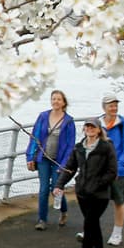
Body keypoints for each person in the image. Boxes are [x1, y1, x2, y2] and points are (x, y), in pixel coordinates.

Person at [54, 120, 119, 248]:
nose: (89, 129)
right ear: (84, 129)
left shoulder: (106, 147)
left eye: (93, 127)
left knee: (89, 223)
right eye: (87, 126)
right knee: (93, 223)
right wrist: (59, 184)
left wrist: (98, 184)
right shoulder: (79, 148)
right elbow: (70, 168)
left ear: (98, 130)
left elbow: (112, 171)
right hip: (83, 193)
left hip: (100, 194)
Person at [24, 90, 76, 230]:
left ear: (64, 102)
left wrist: (64, 164)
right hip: (43, 158)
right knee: (43, 189)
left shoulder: (69, 121)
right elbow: (34, 137)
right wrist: (30, 156)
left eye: (59, 99)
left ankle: (63, 211)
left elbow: (71, 145)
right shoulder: (43, 117)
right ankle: (42, 219)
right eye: (53, 99)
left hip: (59, 160)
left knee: (56, 188)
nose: (56, 101)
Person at [100, 93, 124, 246]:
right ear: (104, 107)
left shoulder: (123, 125)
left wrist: (118, 168)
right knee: (96, 200)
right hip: (100, 170)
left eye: (115, 105)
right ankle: (90, 229)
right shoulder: (98, 123)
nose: (113, 108)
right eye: (110, 105)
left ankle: (117, 233)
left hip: (119, 171)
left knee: (118, 201)